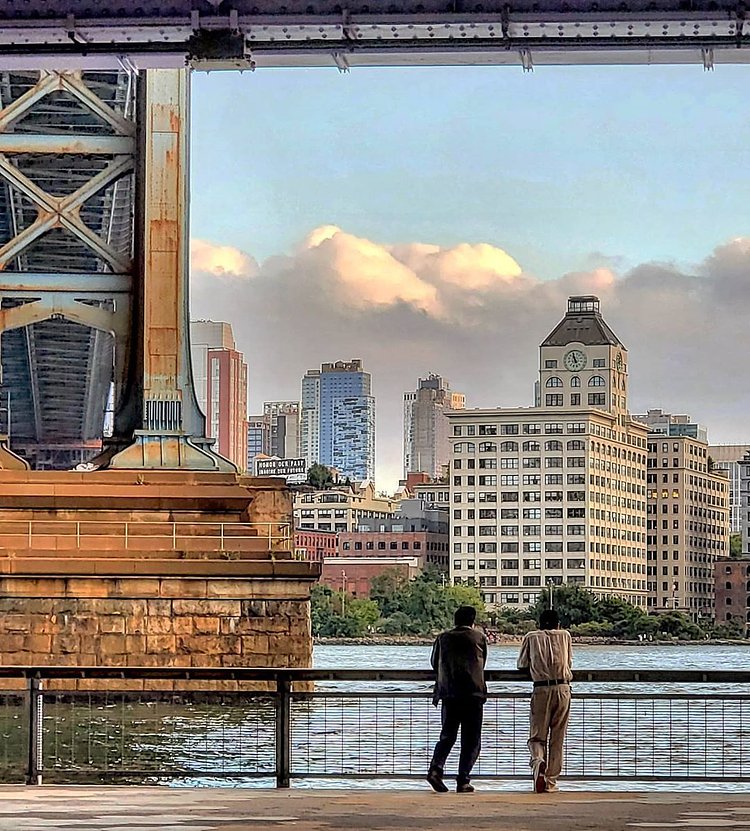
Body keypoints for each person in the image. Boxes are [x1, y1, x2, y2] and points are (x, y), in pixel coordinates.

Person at [427, 605, 488, 794]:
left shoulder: (443, 638)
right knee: (471, 740)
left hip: (449, 694)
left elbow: (433, 662)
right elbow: (483, 661)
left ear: (455, 620)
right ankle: (463, 780)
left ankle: (436, 769)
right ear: (472, 620)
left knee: (447, 736)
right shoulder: (479, 638)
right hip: (473, 694)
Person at [517, 608, 573, 794]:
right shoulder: (565, 636)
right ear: (558, 624)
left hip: (540, 688)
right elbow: (569, 662)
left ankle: (538, 762)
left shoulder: (531, 637)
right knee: (558, 738)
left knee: (536, 735)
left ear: (539, 623)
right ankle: (550, 781)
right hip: (563, 688)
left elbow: (522, 664)